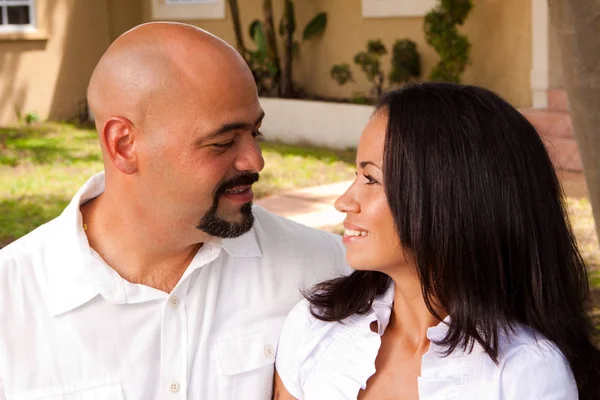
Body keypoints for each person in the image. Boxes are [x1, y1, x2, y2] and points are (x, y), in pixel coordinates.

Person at [0, 22, 349, 399]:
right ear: (123, 145)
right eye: (223, 142)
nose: (255, 160)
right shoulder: (12, 302)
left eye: (255, 133)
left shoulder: (325, 272)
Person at [274, 82, 600, 400]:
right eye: (356, 176)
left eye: (371, 179)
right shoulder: (315, 328)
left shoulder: (525, 373)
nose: (344, 201)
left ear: (448, 198)